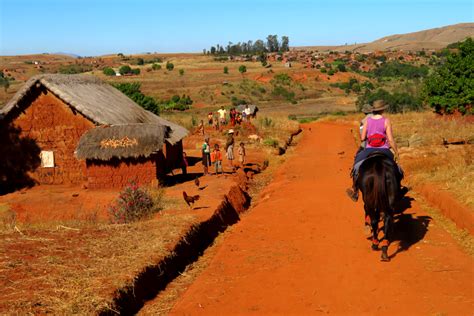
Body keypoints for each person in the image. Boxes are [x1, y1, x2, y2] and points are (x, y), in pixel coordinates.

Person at [346, 100, 400, 202]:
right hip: (384, 149)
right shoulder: (386, 121)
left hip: (369, 149)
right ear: (383, 109)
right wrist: (396, 151)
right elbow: (391, 140)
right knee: (397, 168)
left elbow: (362, 138)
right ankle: (399, 188)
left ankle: (355, 189)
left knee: (357, 165)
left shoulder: (367, 121)